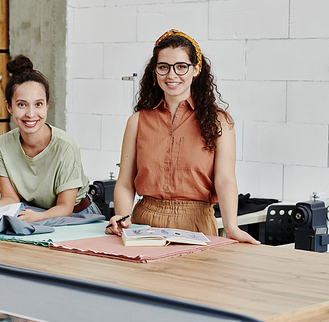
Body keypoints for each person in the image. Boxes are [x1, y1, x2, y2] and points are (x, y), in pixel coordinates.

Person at [105, 29, 259, 244]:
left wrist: (231, 226)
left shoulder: (219, 121)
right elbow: (125, 182)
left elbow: (225, 180)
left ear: (196, 69)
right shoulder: (137, 121)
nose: (172, 75)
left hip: (196, 223)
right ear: (154, 71)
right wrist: (122, 217)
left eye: (181, 67)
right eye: (163, 67)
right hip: (144, 223)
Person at [0, 55, 101, 222]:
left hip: (77, 216)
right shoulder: (1, 146)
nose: (30, 114)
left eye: (38, 104)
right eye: (22, 104)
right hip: (37, 214)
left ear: (46, 106)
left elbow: (65, 207)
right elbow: (10, 198)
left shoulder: (65, 146)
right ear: (9, 106)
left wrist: (38, 217)